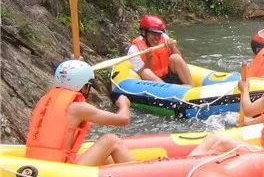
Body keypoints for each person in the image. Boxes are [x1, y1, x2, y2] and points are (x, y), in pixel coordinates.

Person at [25, 61, 237, 166]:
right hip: (61, 168)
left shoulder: (48, 100)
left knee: (108, 160)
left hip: (42, 162)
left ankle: (131, 167)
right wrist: (124, 103)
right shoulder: (78, 107)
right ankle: (141, 171)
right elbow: (123, 120)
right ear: (82, 85)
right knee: (110, 140)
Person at [128, 14, 194, 85]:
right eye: (153, 33)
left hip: (168, 75)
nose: (157, 37)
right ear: (144, 32)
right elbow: (141, 76)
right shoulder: (134, 49)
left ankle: (191, 87)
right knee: (146, 72)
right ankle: (169, 91)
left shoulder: (164, 37)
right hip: (153, 84)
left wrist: (173, 46)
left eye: (159, 34)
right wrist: (149, 58)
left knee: (176, 57)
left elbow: (180, 58)